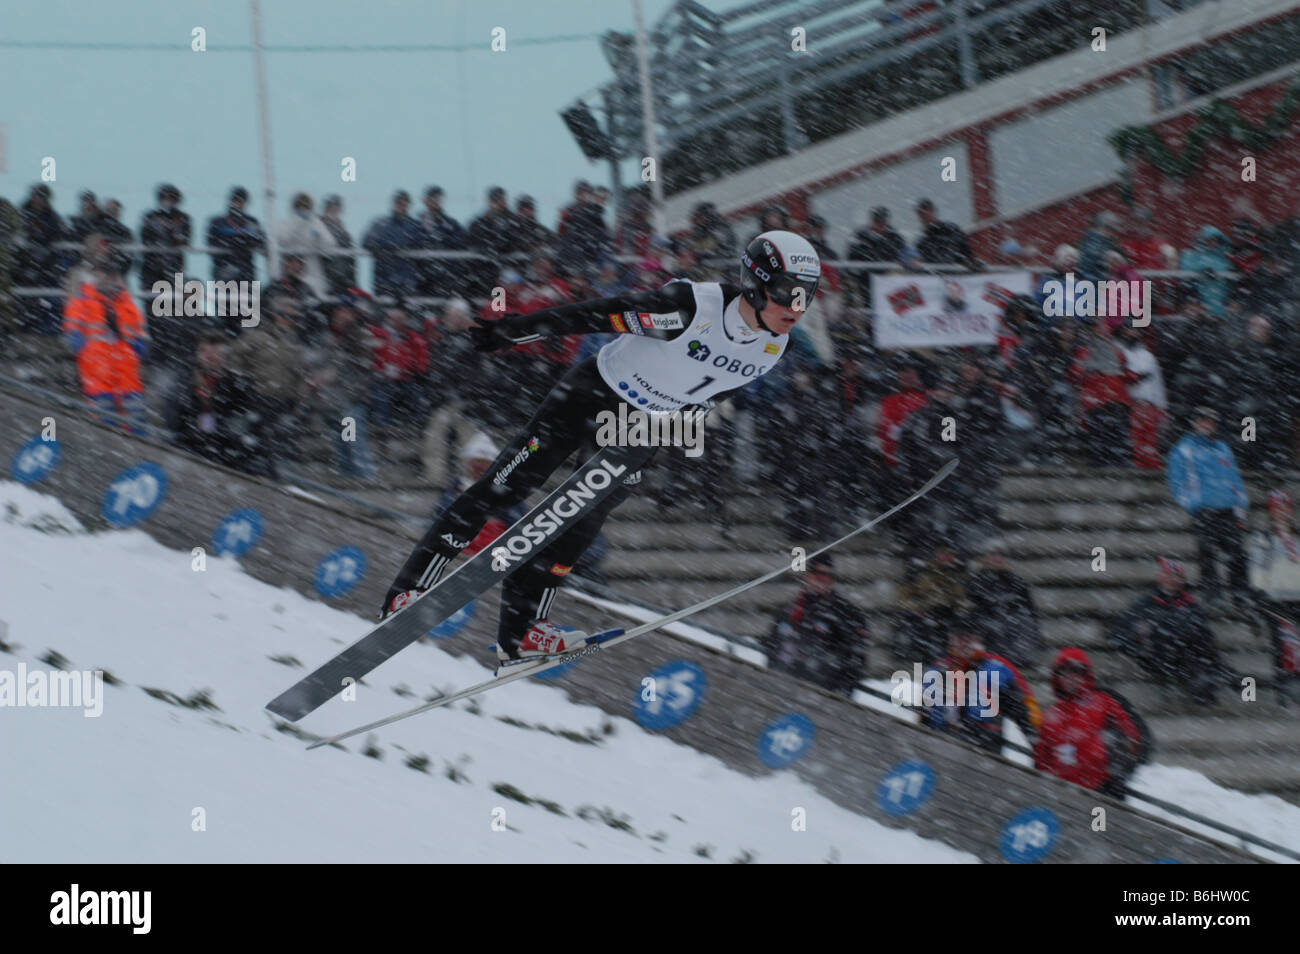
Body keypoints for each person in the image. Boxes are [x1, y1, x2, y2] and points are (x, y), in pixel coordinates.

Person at [380, 230, 822, 662]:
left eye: (807, 295)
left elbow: (714, 389)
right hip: (593, 394)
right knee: (506, 487)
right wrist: (518, 330)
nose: (796, 308)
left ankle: (522, 632)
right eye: (788, 293)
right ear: (754, 283)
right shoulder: (691, 308)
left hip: (640, 426)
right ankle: (411, 588)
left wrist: (688, 417)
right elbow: (599, 314)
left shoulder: (773, 346)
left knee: (584, 523)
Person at [1108, 556, 1227, 704]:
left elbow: (1206, 636)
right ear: (1160, 578)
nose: (1172, 580)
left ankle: (1208, 679)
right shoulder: (1145, 604)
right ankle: (1207, 678)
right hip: (1157, 656)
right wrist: (1136, 648)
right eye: (1168, 575)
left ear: (1182, 581)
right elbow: (1120, 631)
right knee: (1169, 625)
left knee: (1193, 632)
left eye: (1177, 576)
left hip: (1186, 656)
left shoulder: (1191, 605)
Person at [1166, 406, 1252, 611]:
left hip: (1228, 510)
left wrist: (1241, 504)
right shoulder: (1183, 449)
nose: (1207, 425)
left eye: (1211, 422)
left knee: (1237, 553)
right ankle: (1213, 596)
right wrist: (1193, 504)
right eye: (1203, 421)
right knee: (1207, 553)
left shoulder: (1223, 448)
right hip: (1204, 511)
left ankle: (1241, 595)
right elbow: (1176, 483)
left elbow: (1234, 479)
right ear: (1195, 423)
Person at [922, 615, 1041, 755]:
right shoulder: (937, 670)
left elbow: (1024, 711)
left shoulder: (998, 669)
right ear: (951, 640)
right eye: (959, 637)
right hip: (941, 749)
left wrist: (1033, 736)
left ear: (979, 640)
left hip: (985, 752)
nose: (964, 643)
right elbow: (923, 715)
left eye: (969, 637)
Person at [1034, 648, 1145, 797]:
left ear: (1085, 674)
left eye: (1076, 671)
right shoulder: (1051, 713)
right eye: (1064, 671)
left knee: (1099, 821)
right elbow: (1041, 758)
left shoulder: (1104, 702)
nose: (1070, 676)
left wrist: (1118, 776)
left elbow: (1132, 738)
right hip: (1061, 796)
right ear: (1057, 676)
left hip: (1100, 793)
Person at [63, 258, 149, 433]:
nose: (106, 280)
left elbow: (139, 336)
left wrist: (135, 350)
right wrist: (88, 354)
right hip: (97, 377)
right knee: (105, 429)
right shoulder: (81, 302)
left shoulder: (127, 304)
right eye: (102, 275)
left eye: (110, 276)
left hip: (127, 376)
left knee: (138, 428)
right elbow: (73, 337)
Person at [764, 553, 870, 696]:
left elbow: (856, 658)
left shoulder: (846, 614)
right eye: (818, 574)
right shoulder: (789, 611)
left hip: (826, 695)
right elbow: (772, 648)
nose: (824, 580)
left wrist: (842, 691)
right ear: (807, 576)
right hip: (786, 690)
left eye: (829, 576)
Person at [276, 193, 335, 299]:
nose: (303, 209)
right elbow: (283, 239)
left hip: (311, 266)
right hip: (291, 266)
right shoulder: (287, 222)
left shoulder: (316, 223)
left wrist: (319, 237)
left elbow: (330, 244)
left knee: (314, 295)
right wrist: (298, 221)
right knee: (290, 294)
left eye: (306, 206)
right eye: (300, 206)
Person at [206, 186, 265, 284]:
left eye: (241, 201)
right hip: (223, 270)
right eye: (235, 200)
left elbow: (261, 240)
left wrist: (237, 241)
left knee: (250, 299)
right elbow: (212, 244)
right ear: (230, 201)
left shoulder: (252, 222)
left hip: (247, 272)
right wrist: (241, 241)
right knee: (224, 299)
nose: (238, 204)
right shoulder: (218, 221)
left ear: (246, 203)